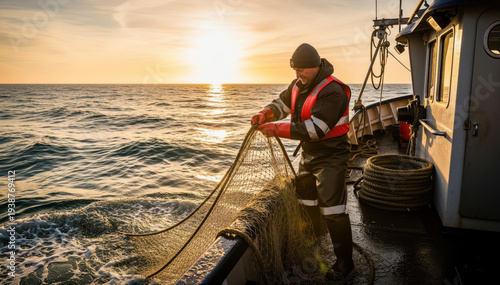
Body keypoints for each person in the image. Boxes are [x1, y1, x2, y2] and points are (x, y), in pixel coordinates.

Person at [250, 43, 354, 281]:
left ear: (316, 66)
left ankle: (345, 264)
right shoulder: (298, 85)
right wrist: (265, 113)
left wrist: (276, 128)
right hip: (309, 154)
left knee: (333, 209)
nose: (298, 75)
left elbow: (317, 129)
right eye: (295, 70)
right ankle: (313, 244)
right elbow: (281, 104)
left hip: (332, 155)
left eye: (302, 70)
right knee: (306, 200)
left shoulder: (333, 91)